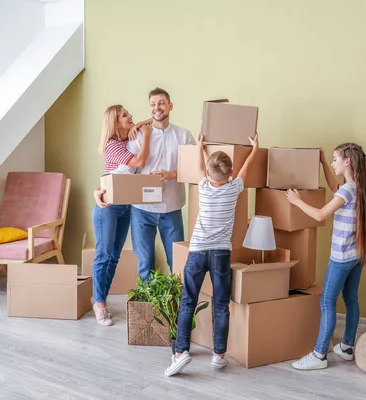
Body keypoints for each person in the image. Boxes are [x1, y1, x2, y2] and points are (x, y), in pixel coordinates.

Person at [164, 133, 260, 377]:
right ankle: (218, 355)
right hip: (220, 253)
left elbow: (199, 167)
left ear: (208, 174)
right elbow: (245, 171)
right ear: (229, 176)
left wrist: (200, 146)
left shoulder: (204, 186)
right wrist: (254, 149)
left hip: (197, 251)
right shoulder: (234, 189)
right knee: (221, 304)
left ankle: (181, 352)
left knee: (188, 300)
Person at [285, 143, 366, 370]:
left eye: (335, 160)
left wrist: (297, 202)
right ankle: (346, 347)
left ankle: (319, 354)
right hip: (356, 255)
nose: (333, 163)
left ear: (347, 162)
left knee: (327, 301)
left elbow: (321, 214)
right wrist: (323, 161)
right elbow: (336, 187)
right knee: (351, 300)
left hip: (342, 257)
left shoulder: (347, 191)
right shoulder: (356, 187)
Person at [123, 87, 195, 281]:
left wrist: (171, 174)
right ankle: (147, 311)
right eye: (153, 104)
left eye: (161, 103)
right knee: (144, 264)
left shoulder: (184, 136)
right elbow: (126, 169)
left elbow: (197, 169)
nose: (157, 108)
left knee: (177, 263)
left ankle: (177, 309)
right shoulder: (137, 136)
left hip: (171, 209)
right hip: (141, 210)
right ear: (149, 109)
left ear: (170, 106)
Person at [90, 104, 152, 326]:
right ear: (115, 123)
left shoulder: (128, 140)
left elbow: (148, 121)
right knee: (103, 255)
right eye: (125, 115)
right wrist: (145, 135)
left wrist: (141, 125)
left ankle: (100, 300)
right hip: (108, 207)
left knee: (115, 257)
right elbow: (139, 162)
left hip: (126, 206)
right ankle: (99, 304)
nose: (131, 116)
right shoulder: (112, 145)